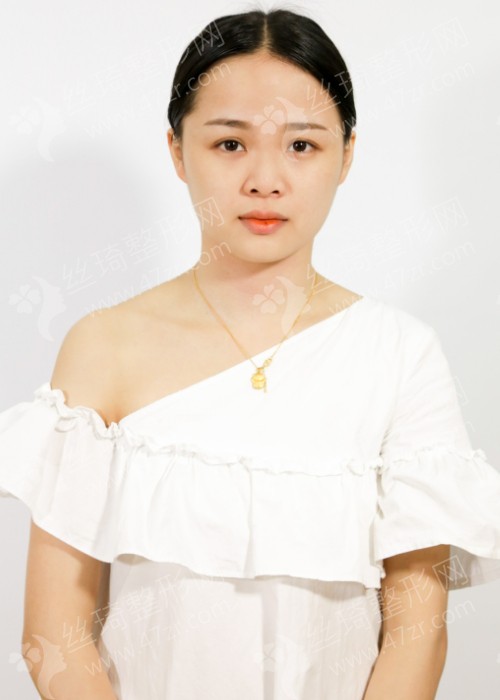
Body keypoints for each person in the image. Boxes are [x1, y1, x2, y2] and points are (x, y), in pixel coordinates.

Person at [1, 6, 500, 700]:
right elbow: (56, 635)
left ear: (347, 155)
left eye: (302, 146)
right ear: (178, 151)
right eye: (230, 143)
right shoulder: (104, 345)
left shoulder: (400, 354)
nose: (265, 179)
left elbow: (418, 631)